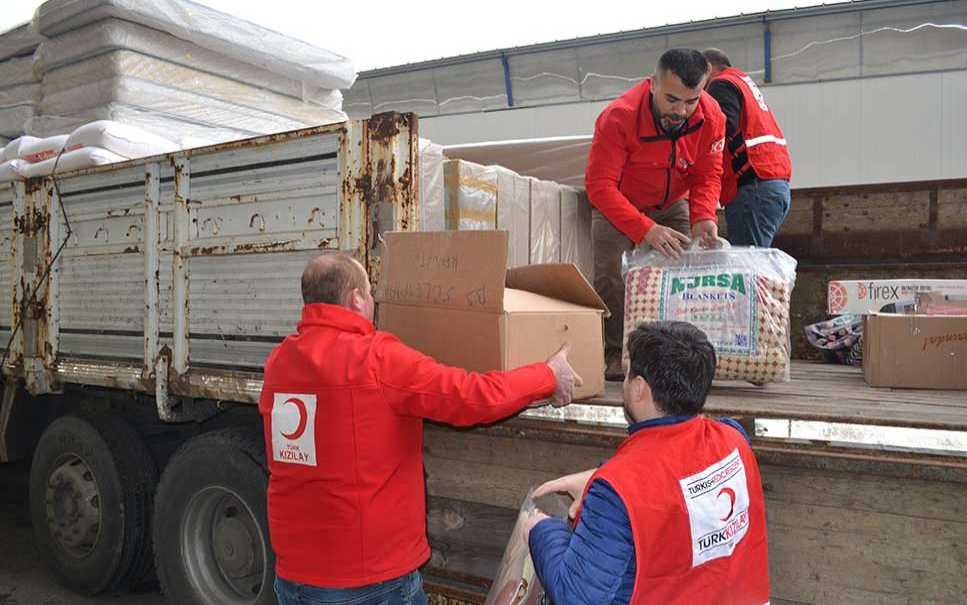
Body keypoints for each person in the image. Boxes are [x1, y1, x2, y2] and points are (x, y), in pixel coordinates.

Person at [260, 252, 581, 605]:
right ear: (355, 300)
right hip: (370, 580)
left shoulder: (280, 361)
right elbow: (473, 397)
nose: (372, 303)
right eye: (370, 294)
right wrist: (547, 374)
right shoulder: (377, 359)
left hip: (295, 575)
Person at [526, 321, 770, 604]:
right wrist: (599, 478)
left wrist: (539, 530)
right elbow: (678, 474)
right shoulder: (734, 440)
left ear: (639, 388)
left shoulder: (618, 490)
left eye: (628, 373)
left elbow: (576, 597)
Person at [586, 49, 726, 379]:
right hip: (618, 201)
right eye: (672, 99)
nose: (681, 111)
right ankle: (613, 353)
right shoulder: (618, 117)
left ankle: (679, 356)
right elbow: (599, 186)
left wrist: (704, 215)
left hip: (673, 200)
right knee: (611, 275)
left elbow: (707, 173)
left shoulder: (712, 117)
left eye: (692, 101)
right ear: (652, 85)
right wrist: (644, 229)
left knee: (685, 273)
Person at [704, 48, 792, 248]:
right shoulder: (743, 83)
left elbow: (721, 127)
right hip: (773, 184)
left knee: (748, 268)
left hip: (752, 188)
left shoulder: (720, 84)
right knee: (755, 260)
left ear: (708, 68)